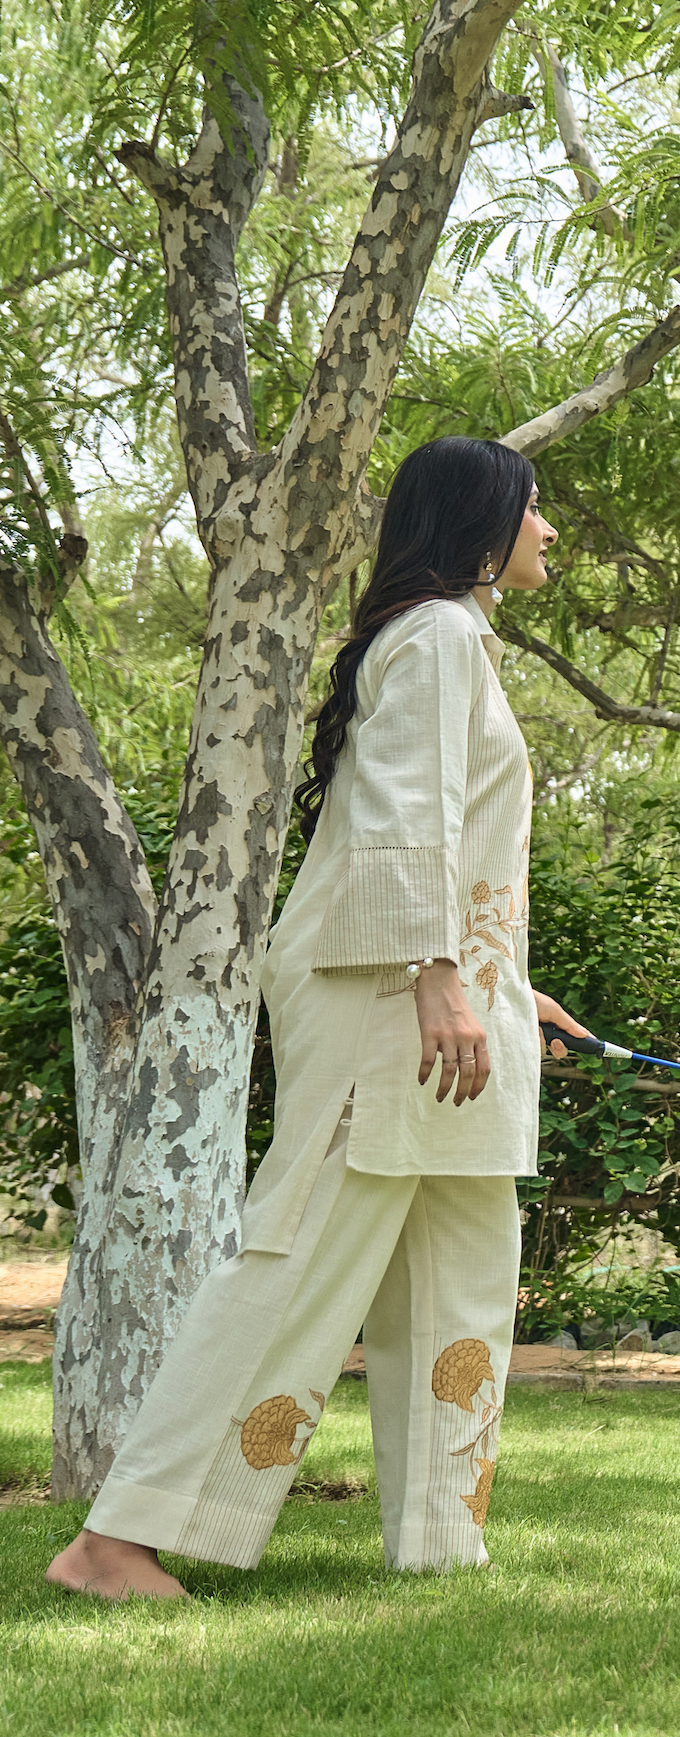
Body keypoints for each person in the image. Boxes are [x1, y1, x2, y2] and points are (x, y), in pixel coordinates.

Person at [48, 437, 597, 1600]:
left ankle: (442, 1543)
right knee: (299, 1255)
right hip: (386, 1001)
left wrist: (500, 987)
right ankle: (116, 1538)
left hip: (434, 990)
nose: (551, 532)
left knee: (460, 1262)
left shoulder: (441, 643)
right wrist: (440, 977)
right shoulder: (443, 636)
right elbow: (411, 816)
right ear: (484, 529)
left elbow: (431, 842)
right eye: (536, 512)